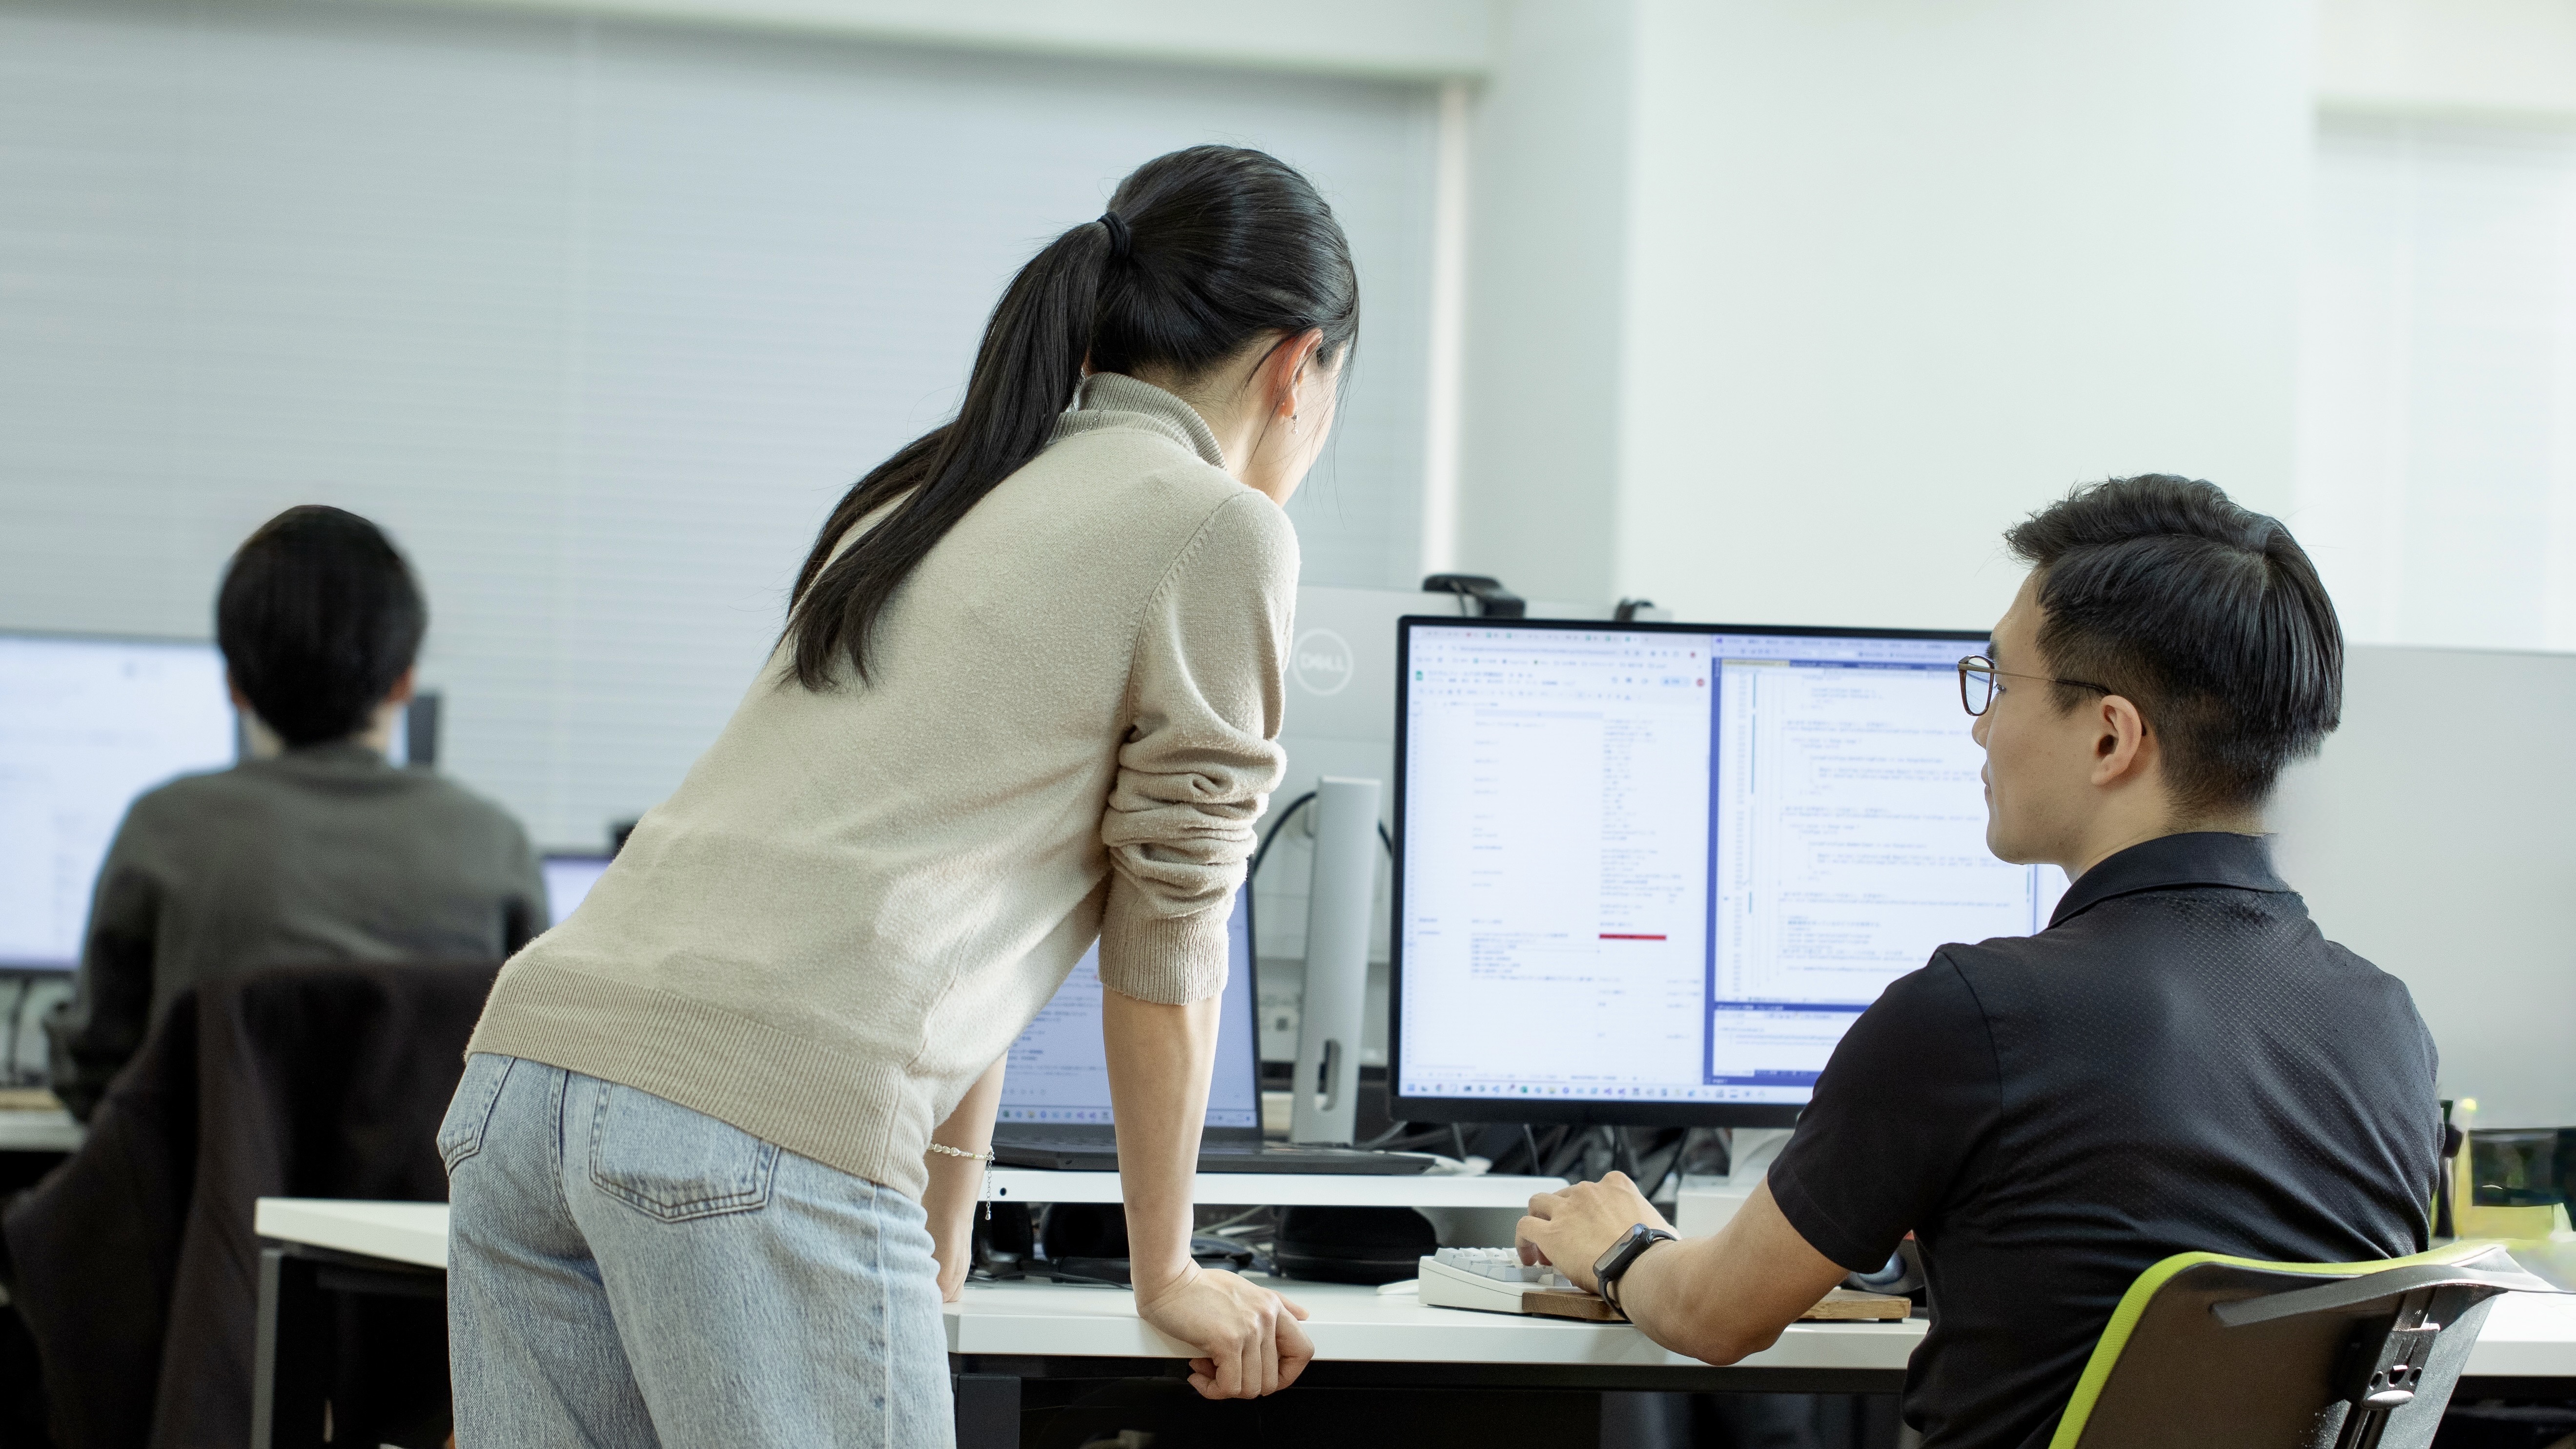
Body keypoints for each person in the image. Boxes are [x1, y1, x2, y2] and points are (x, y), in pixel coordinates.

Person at [442, 144, 1354, 1447]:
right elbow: (1170, 936)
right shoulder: (1216, 524)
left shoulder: (938, 485)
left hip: (527, 1087)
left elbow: (950, 892)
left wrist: (938, 1231)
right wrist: (1166, 1269)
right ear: (1296, 366)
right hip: (748, 1126)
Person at [1517, 475, 2441, 1449]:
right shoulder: (2387, 1024)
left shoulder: (1973, 1013)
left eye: (1998, 683)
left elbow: (1712, 1314)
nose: (1978, 724)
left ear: (2109, 734)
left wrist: (1619, 1242)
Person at [47, 505, 546, 1119]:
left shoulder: (165, 828)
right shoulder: (495, 844)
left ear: (234, 686)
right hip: (432, 1187)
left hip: (217, 1184)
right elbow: (534, 1086)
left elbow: (96, 1074)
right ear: (404, 682)